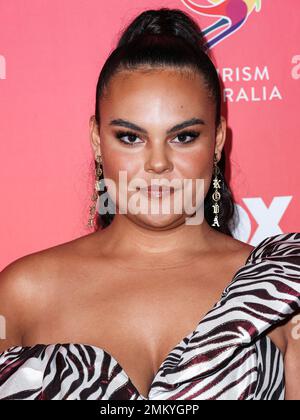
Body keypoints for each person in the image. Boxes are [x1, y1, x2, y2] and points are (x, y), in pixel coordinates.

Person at [0, 8, 299, 401]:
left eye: (183, 136)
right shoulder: (22, 293)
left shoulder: (282, 288)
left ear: (219, 140)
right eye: (130, 137)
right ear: (96, 139)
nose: (158, 163)